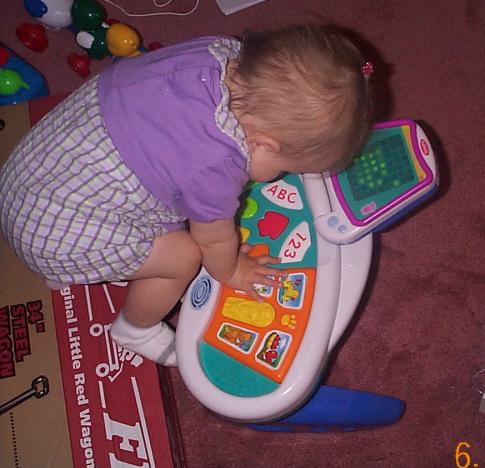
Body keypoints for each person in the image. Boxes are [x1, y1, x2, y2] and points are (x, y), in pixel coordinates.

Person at [0, 24, 373, 367]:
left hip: (30, 172)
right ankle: (134, 329)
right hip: (52, 231)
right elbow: (213, 240)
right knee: (184, 256)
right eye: (284, 167)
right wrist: (232, 268)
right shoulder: (219, 162)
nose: (281, 175)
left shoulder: (217, 50)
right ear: (263, 144)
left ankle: (72, 264)